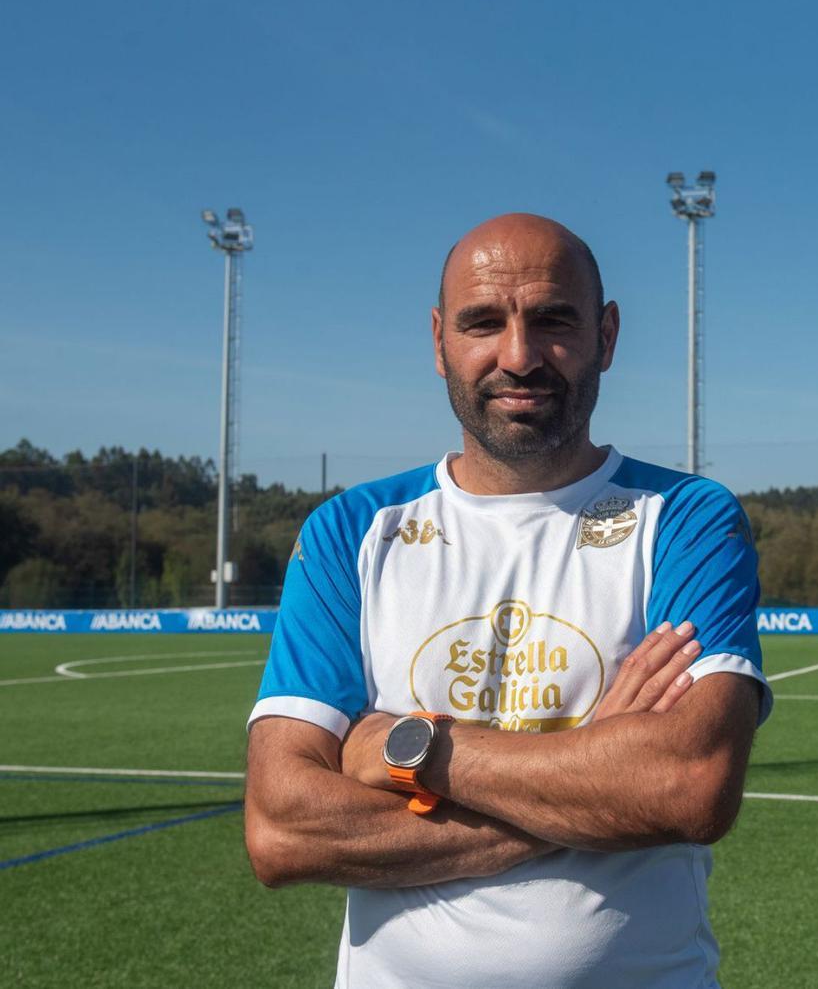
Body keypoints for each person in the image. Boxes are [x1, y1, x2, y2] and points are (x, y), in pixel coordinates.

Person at [244, 213, 773, 989]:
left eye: (554, 319)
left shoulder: (685, 519)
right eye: (484, 322)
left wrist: (410, 749)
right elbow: (283, 830)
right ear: (438, 343)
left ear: (607, 334)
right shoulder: (351, 532)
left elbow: (685, 786)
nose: (519, 355)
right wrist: (595, 766)